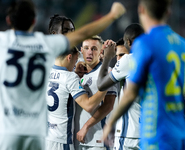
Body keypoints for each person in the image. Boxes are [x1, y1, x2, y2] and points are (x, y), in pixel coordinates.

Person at [0, 0, 126, 149]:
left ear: (8, 20)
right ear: (34, 21)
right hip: (38, 132)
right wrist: (112, 15)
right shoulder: (47, 46)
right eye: (67, 32)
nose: (71, 36)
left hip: (6, 128)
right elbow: (84, 33)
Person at [102, 0, 185, 150]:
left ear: (141, 10)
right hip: (178, 133)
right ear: (168, 12)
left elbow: (130, 93)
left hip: (154, 132)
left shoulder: (144, 44)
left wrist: (111, 122)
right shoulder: (182, 45)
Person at [45, 14, 109, 150]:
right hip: (63, 137)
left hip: (75, 136)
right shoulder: (45, 60)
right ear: (53, 34)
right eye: (67, 31)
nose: (72, 34)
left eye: (73, 30)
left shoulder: (77, 56)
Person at [97, 24, 144, 150]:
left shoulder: (129, 60)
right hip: (150, 133)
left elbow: (101, 85)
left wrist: (107, 58)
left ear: (128, 42)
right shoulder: (156, 59)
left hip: (129, 135)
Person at [75, 35, 117, 150]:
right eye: (87, 48)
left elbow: (108, 105)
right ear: (81, 51)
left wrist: (86, 126)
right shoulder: (78, 73)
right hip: (78, 139)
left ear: (100, 52)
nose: (90, 52)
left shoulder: (106, 72)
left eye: (94, 49)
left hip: (97, 141)